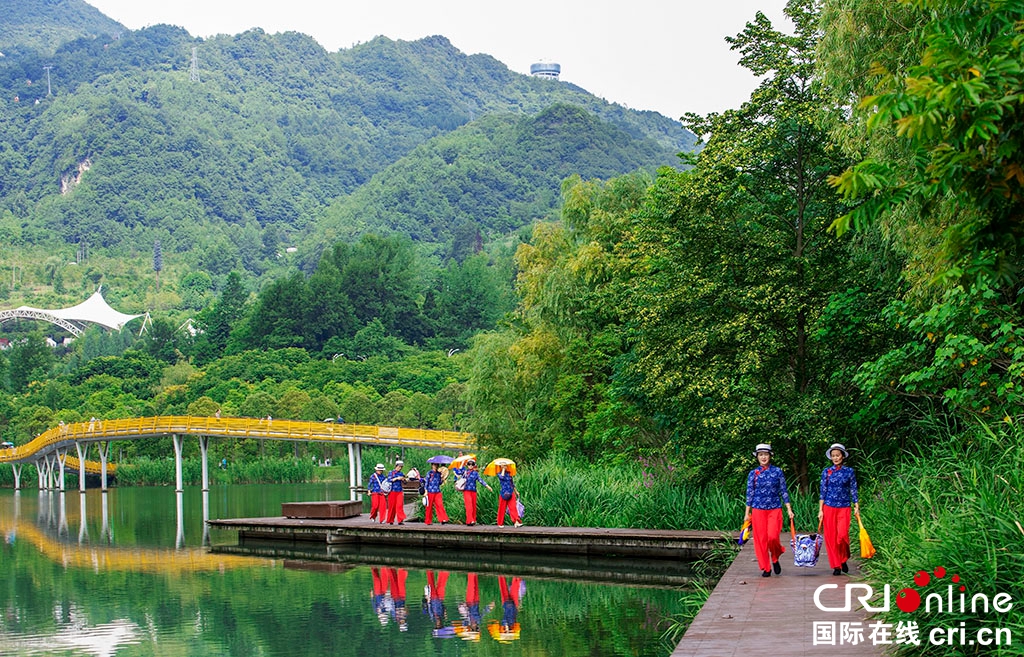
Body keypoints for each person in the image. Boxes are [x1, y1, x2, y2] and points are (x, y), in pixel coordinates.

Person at [743, 443, 794, 577]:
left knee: (772, 537)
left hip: (774, 509)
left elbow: (783, 491)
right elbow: (750, 493)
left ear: (770, 456)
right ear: (757, 457)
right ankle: (766, 567)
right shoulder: (753, 474)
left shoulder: (777, 471)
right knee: (761, 540)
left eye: (766, 454)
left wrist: (789, 508)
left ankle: (775, 556)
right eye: (761, 455)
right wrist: (747, 513)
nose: (763, 457)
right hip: (758, 509)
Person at [818, 442, 860, 576]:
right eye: (833, 456)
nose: (835, 458)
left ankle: (843, 558)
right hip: (829, 507)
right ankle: (836, 565)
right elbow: (823, 491)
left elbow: (853, 489)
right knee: (831, 537)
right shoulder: (827, 472)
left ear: (843, 456)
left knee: (842, 536)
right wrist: (820, 510)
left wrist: (856, 505)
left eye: (838, 455)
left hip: (844, 507)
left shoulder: (849, 472)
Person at [460, 460, 491, 526]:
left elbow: (480, 480)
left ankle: (473, 520)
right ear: (467, 465)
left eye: (472, 464)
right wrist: (462, 463)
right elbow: (459, 471)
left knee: (473, 506)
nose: (470, 466)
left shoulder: (475, 473)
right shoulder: (465, 472)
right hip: (466, 490)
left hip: (473, 491)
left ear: (474, 465)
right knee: (469, 506)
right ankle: (469, 520)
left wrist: (487, 486)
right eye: (469, 464)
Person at [385, 460, 407, 525]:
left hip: (399, 491)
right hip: (392, 491)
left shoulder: (401, 473)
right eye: (399, 466)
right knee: (392, 507)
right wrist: (397, 478)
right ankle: (391, 520)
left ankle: (400, 520)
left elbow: (405, 483)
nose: (400, 468)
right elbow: (389, 480)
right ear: (396, 466)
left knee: (399, 505)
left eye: (401, 467)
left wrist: (403, 479)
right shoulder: (391, 472)